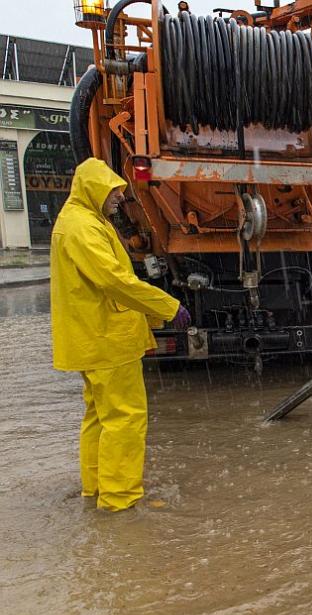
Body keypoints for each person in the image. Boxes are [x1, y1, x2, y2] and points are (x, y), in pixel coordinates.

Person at [50, 158, 190, 512]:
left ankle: (96, 490)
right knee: (125, 418)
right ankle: (120, 500)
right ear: (94, 190)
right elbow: (115, 281)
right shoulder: (84, 227)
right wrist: (167, 306)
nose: (118, 200)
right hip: (106, 340)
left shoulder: (82, 221)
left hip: (93, 338)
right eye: (113, 193)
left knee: (99, 417)